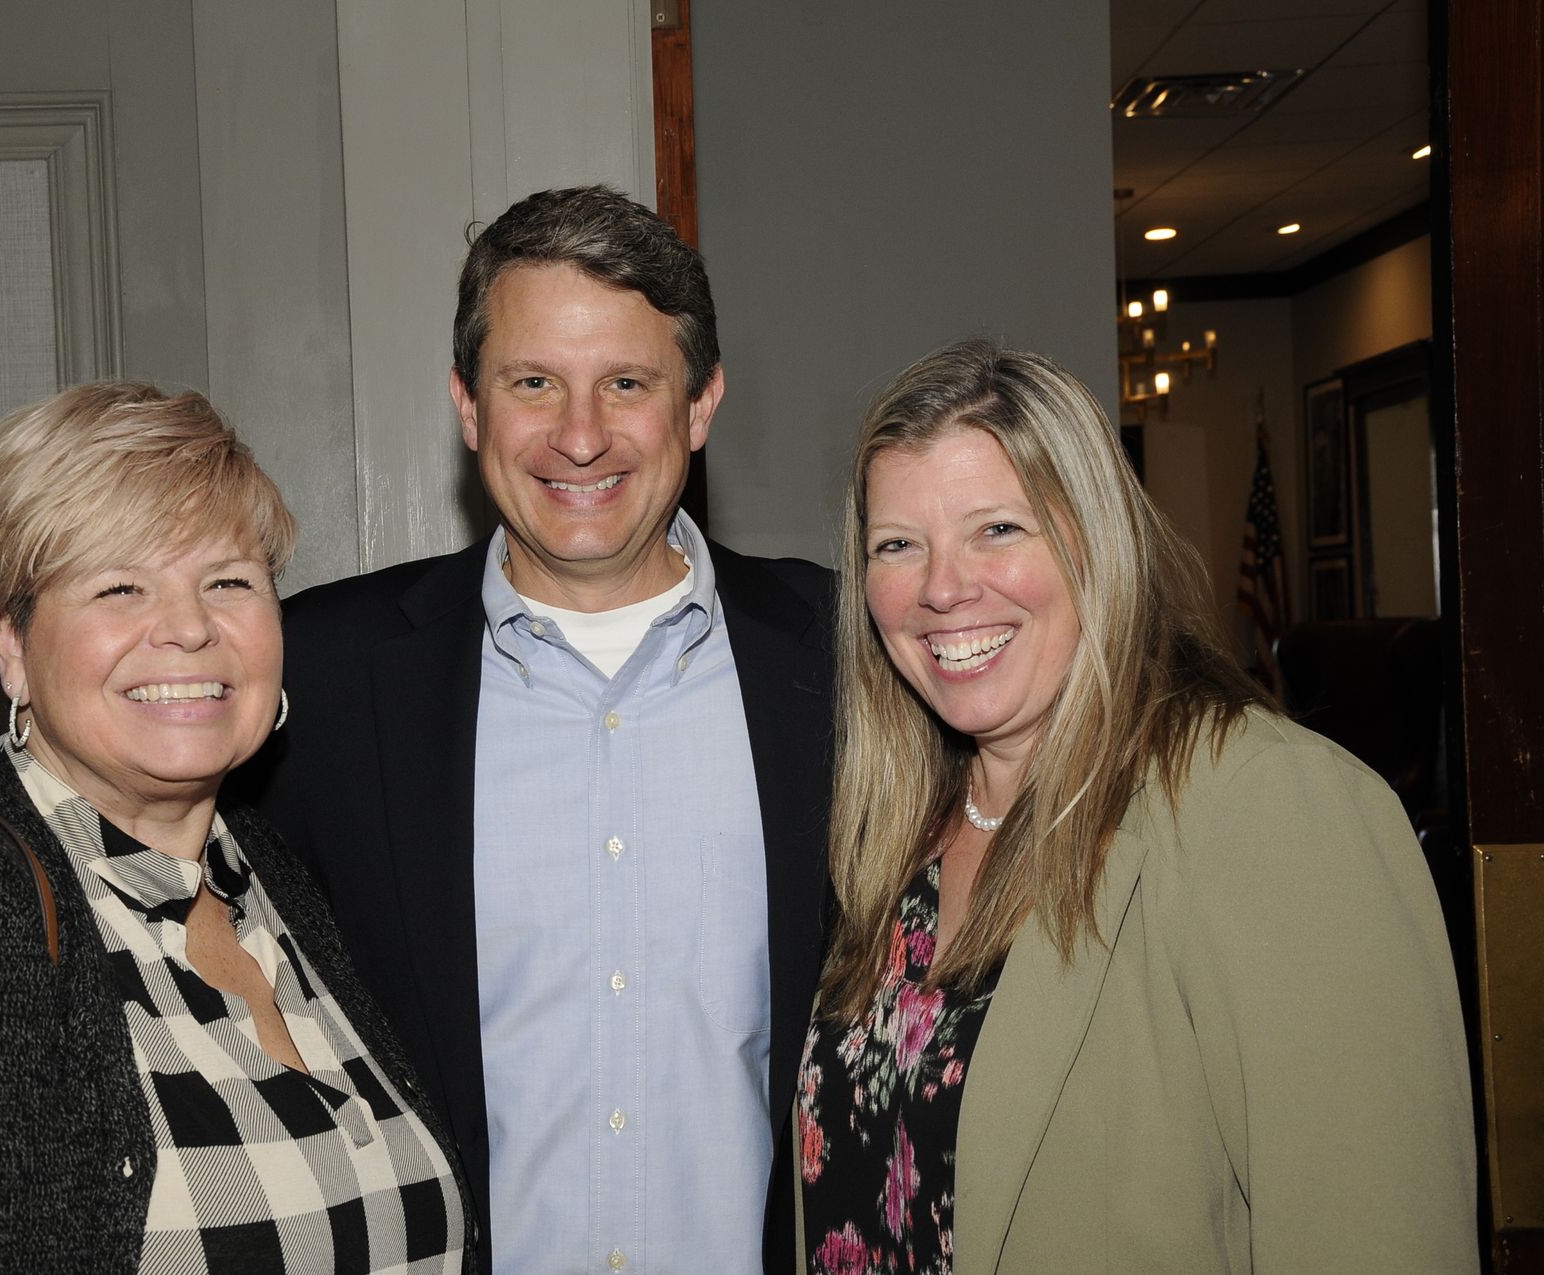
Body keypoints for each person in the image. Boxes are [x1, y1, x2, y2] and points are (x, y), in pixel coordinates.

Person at [0, 382, 472, 1274]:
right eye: (118, 586)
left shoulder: (271, 876)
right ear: (15, 647)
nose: (187, 627)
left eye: (228, 581)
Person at [249, 185, 834, 1273]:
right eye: (533, 383)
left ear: (700, 405)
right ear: (469, 406)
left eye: (626, 383)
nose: (579, 435)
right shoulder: (316, 676)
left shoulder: (849, 663)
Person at [797, 339, 1475, 1273]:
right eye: (897, 545)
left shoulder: (1265, 805)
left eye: (997, 528)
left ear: (1095, 540)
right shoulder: (892, 834)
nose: (943, 587)